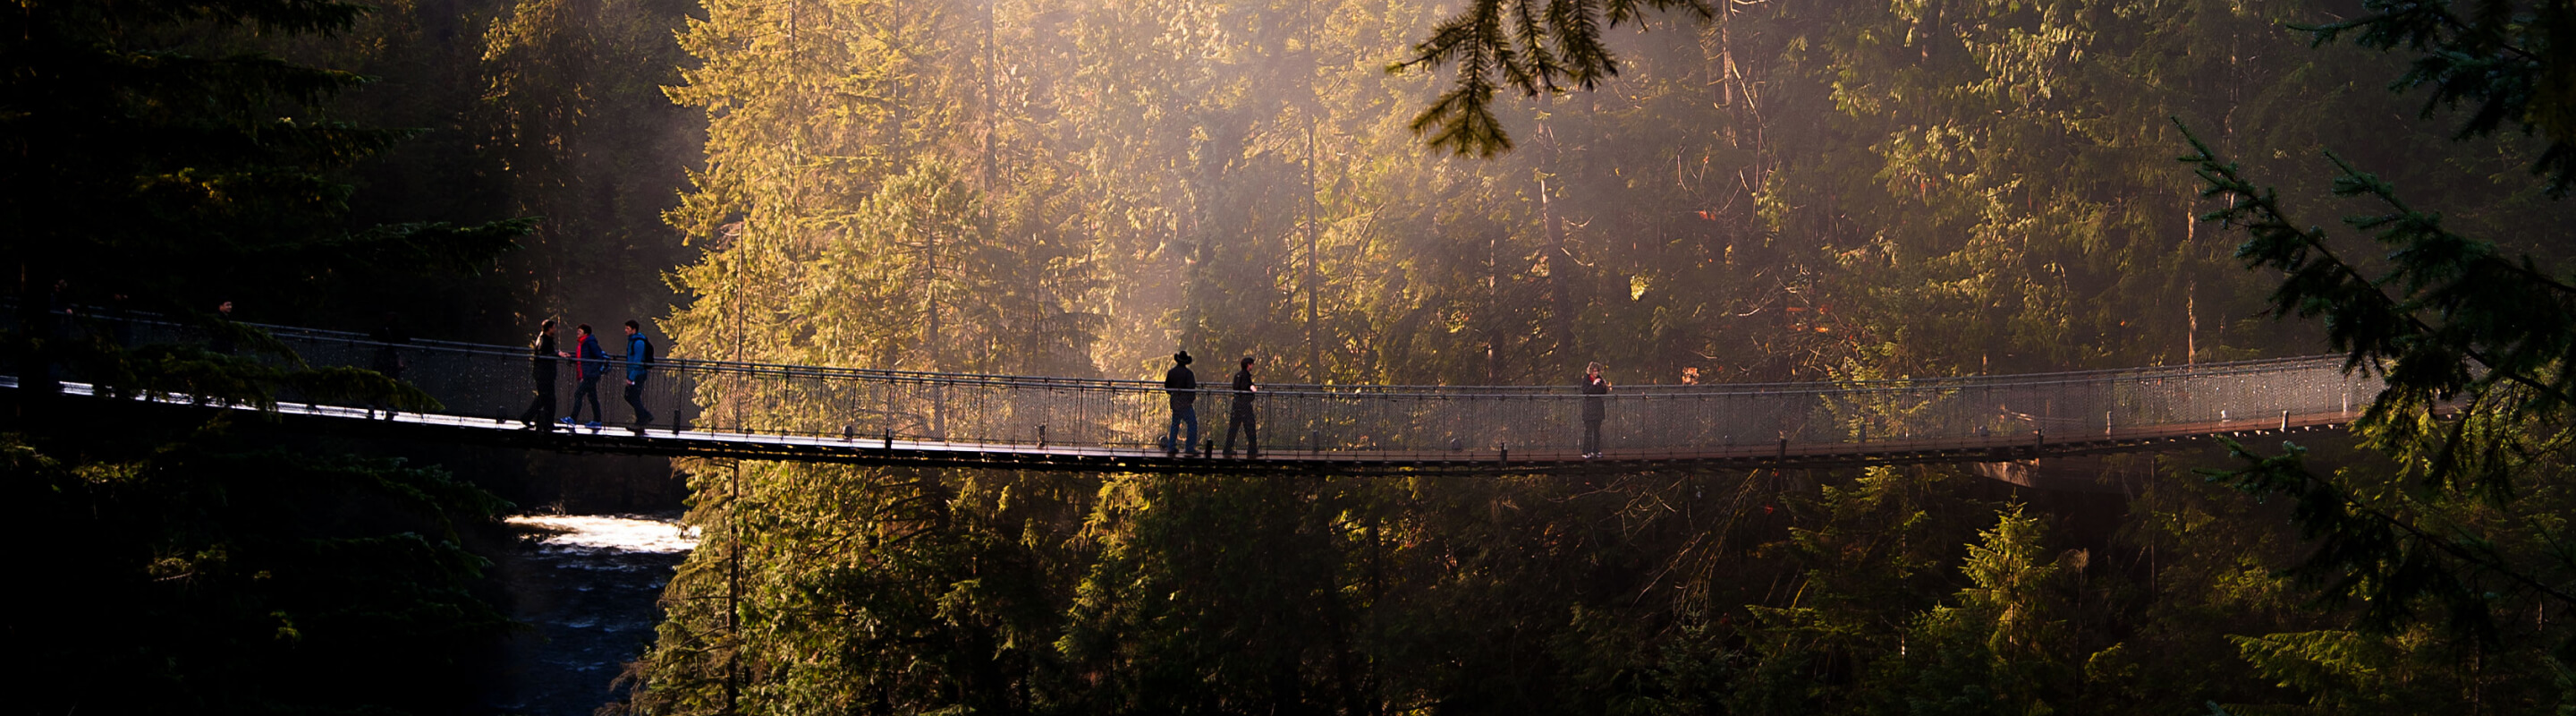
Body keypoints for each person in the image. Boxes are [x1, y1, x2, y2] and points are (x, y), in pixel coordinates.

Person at [518, 319, 565, 428]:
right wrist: (557, 354)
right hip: (544, 374)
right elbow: (544, 356)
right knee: (547, 398)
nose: (555, 329)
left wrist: (557, 354)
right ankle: (530, 418)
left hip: (544, 374)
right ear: (549, 329)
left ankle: (544, 422)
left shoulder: (544, 339)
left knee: (547, 398)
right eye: (554, 327)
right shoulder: (544, 340)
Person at [559, 323, 607, 428]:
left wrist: (590, 371)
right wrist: (571, 357)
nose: (577, 333)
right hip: (589, 374)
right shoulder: (583, 343)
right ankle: (597, 421)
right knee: (592, 397)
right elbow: (582, 357)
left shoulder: (589, 342)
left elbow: (598, 357)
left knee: (578, 394)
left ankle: (573, 418)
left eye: (580, 331)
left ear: (585, 333)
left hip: (590, 375)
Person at [369, 311, 410, 419]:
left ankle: (374, 405)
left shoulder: (385, 329)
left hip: (384, 360)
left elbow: (372, 335)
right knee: (390, 384)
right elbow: (406, 339)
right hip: (391, 361)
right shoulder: (396, 330)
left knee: (379, 383)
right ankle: (389, 406)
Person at [1223, 355, 1259, 458]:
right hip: (1245, 405)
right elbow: (1249, 386)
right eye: (1252, 364)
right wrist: (1254, 389)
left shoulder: (1237, 375)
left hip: (1236, 405)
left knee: (1233, 428)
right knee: (1250, 427)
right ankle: (1252, 450)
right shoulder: (1246, 376)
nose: (1252, 366)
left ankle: (1227, 449)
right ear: (1249, 365)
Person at [1163, 350, 1199, 457]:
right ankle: (1189, 448)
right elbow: (1192, 388)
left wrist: (1174, 394)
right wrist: (1190, 399)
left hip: (1175, 402)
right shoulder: (1189, 374)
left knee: (1175, 424)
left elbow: (1167, 388)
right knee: (1192, 424)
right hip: (1185, 404)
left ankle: (1171, 447)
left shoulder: (1171, 372)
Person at [623, 320, 657, 426]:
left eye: (628, 328)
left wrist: (631, 377)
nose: (625, 330)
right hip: (635, 374)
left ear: (634, 330)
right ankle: (644, 417)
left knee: (633, 396)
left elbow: (637, 361)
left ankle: (642, 419)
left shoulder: (638, 342)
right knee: (630, 396)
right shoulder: (633, 341)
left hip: (638, 374)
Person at [1580, 361, 1612, 458]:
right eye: (1594, 371)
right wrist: (1593, 384)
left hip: (1598, 408)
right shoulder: (1586, 380)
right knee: (1588, 431)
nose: (1596, 373)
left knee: (1597, 431)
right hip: (1589, 408)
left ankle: (1596, 450)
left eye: (1597, 371)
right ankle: (1586, 451)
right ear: (1590, 371)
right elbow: (1585, 391)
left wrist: (1604, 386)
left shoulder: (1600, 379)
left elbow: (1604, 392)